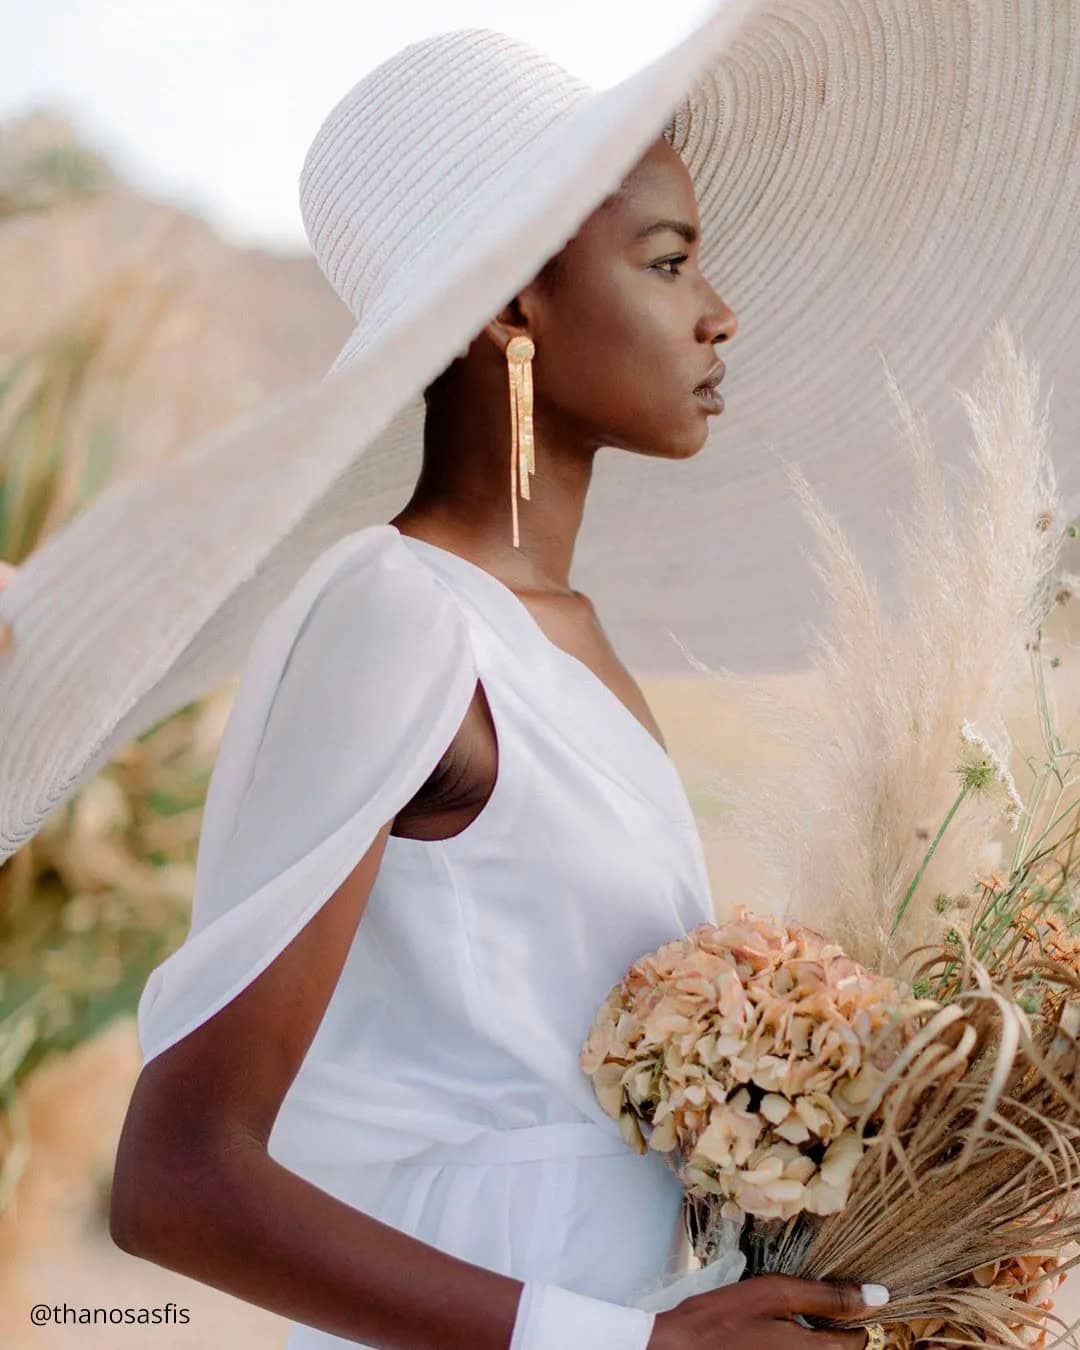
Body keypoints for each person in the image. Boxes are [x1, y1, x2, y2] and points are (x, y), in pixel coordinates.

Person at [103, 121, 889, 1350]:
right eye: (671, 263)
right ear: (515, 297)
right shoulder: (400, 618)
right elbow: (177, 1181)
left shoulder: (567, 639)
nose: (719, 314)